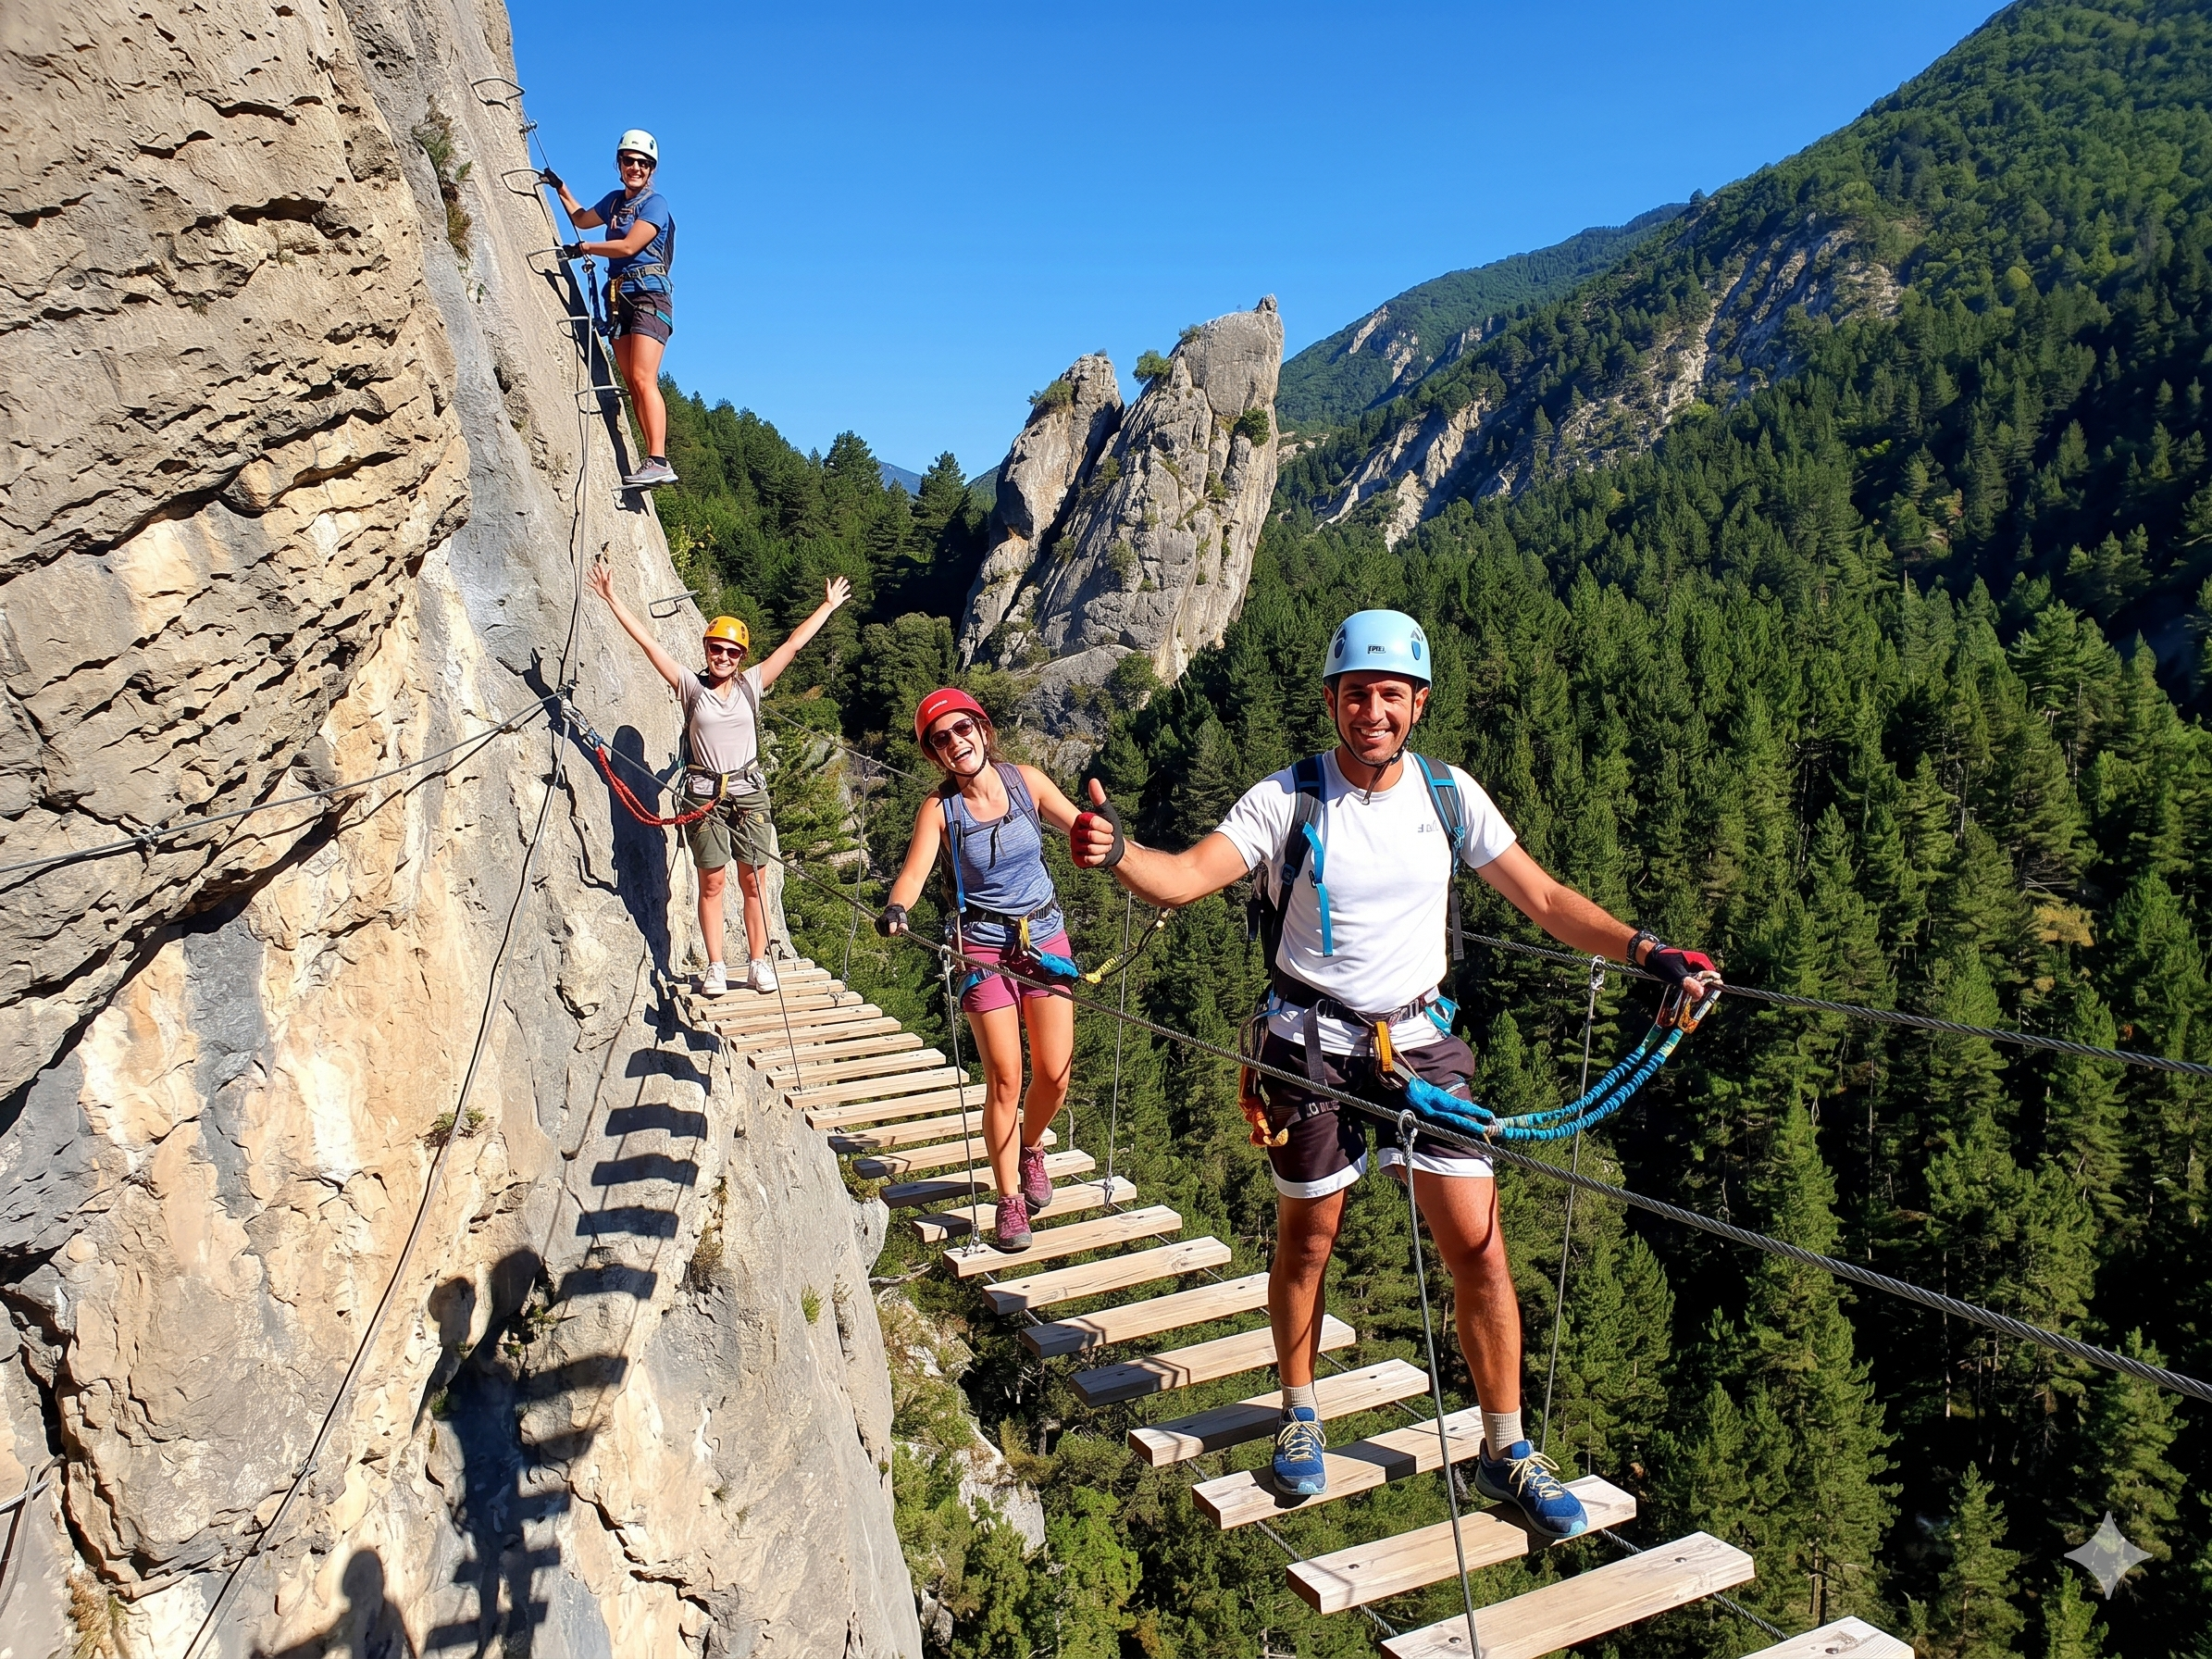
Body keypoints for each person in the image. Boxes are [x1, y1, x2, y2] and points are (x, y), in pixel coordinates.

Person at [1069, 610, 1720, 1533]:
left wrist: (1647, 952)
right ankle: (1299, 1411)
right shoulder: (1284, 799)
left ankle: (1505, 1448)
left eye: (1388, 694)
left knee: (1480, 1251)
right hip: (1310, 1044)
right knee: (1308, 1239)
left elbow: (1540, 898)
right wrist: (1115, 851)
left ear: (1415, 704)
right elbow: (1182, 877)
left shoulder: (1448, 797)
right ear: (1331, 701)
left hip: (1419, 1043)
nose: (1370, 710)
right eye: (1354, 693)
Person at [878, 689, 1091, 1252]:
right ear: (935, 754)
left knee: (1056, 1073)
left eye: (961, 730)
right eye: (941, 739)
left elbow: (1078, 828)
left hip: (1043, 936)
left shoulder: (1027, 782)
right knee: (1005, 1078)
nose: (955, 743)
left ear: (981, 729)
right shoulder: (939, 810)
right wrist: (898, 907)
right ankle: (1008, 1198)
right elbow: (914, 872)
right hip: (981, 947)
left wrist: (1110, 842)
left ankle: (1032, 1148)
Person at [585, 559, 851, 994]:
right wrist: (612, 598)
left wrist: (827, 606)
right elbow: (650, 646)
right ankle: (715, 966)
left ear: (741, 657)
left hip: (748, 796)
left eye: (731, 652)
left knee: (754, 881)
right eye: (716, 649)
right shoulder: (690, 687)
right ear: (706, 650)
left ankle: (759, 962)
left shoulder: (752, 685)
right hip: (705, 797)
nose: (723, 657)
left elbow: (793, 646)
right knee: (713, 882)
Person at [544, 130, 677, 489]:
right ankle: (651, 459)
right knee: (633, 384)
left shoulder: (655, 204)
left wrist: (586, 249)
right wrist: (561, 189)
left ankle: (660, 459)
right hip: (620, 298)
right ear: (619, 164)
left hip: (649, 295)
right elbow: (582, 218)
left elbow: (630, 246)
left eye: (642, 163)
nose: (635, 167)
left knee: (642, 377)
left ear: (651, 170)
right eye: (629, 161)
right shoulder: (615, 202)